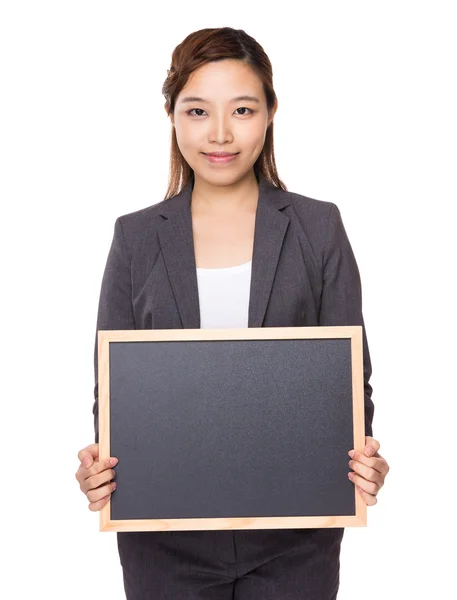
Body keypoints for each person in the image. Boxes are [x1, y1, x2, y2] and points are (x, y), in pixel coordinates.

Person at [75, 26, 390, 600]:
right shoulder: (137, 237)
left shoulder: (318, 228)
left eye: (242, 109)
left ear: (270, 112)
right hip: (163, 537)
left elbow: (348, 381)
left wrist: (364, 455)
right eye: (198, 110)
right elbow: (113, 388)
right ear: (172, 115)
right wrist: (99, 466)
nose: (220, 133)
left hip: (295, 538)